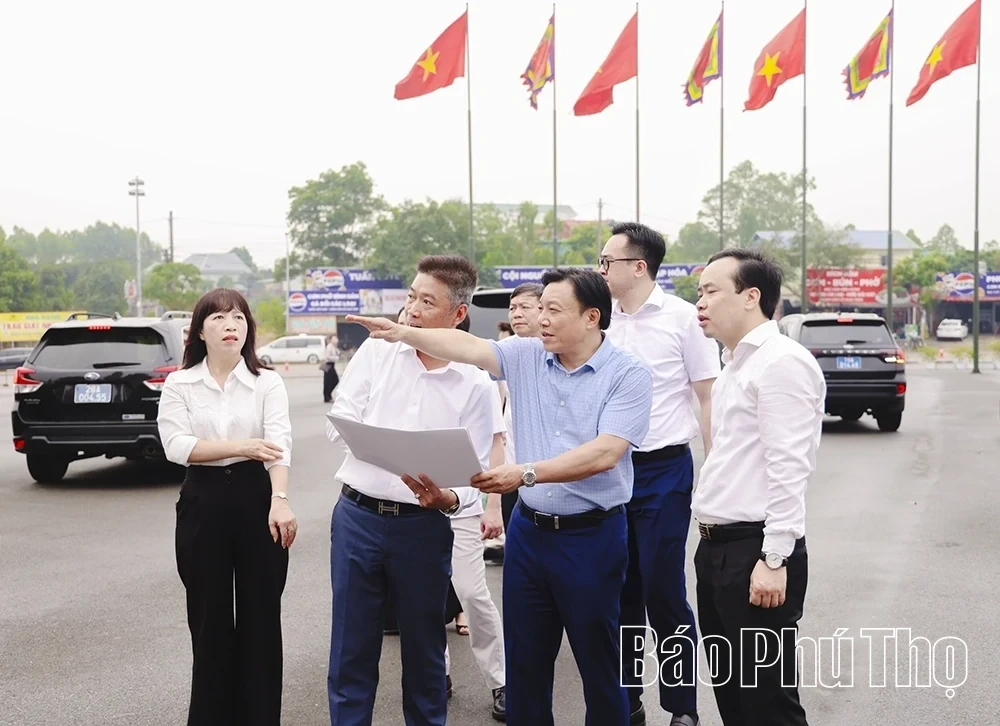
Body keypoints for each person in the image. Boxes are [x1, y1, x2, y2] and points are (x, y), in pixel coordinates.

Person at [347, 267, 653, 726]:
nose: (540, 319)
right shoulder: (527, 355)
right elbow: (467, 347)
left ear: (592, 317)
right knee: (526, 662)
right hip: (530, 535)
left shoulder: (628, 374)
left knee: (598, 659)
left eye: (553, 310)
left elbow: (606, 452)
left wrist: (525, 473)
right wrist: (400, 332)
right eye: (540, 308)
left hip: (591, 537)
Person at [325, 255, 504, 726]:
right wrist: (375, 443)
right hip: (357, 517)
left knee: (425, 647)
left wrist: (449, 499)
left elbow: (477, 474)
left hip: (423, 526)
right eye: (411, 296)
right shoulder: (378, 352)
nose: (413, 310)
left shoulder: (476, 384)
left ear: (458, 315)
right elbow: (340, 417)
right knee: (351, 645)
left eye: (427, 301)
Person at [692, 248, 824, 726]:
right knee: (734, 698)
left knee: (768, 704)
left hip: (755, 552)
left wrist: (775, 559)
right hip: (716, 550)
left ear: (751, 297)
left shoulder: (781, 363)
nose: (700, 303)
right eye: (698, 292)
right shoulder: (735, 364)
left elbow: (789, 467)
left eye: (710, 291)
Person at [157, 288, 296, 726]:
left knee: (260, 618)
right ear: (199, 330)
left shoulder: (267, 381)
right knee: (209, 618)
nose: (230, 325)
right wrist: (241, 446)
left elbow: (278, 447)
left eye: (238, 317)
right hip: (204, 499)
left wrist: (280, 501)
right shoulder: (180, 383)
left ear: (248, 328)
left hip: (258, 497)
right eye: (217, 318)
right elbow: (177, 446)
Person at [600, 222, 720, 726]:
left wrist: (713, 474)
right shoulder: (599, 317)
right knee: (618, 590)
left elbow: (708, 394)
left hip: (663, 470)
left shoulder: (681, 319)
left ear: (639, 266)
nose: (600, 270)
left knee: (663, 590)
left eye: (607, 262)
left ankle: (682, 709)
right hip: (607, 470)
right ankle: (627, 703)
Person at [323, 334, 340, 403]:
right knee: (330, 381)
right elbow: (327, 357)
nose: (336, 340)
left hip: (332, 365)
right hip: (328, 365)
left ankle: (328, 396)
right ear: (331, 340)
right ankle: (327, 396)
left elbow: (338, 353)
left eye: (336, 339)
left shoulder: (334, 347)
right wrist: (336, 358)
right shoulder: (329, 347)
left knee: (332, 381)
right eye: (334, 339)